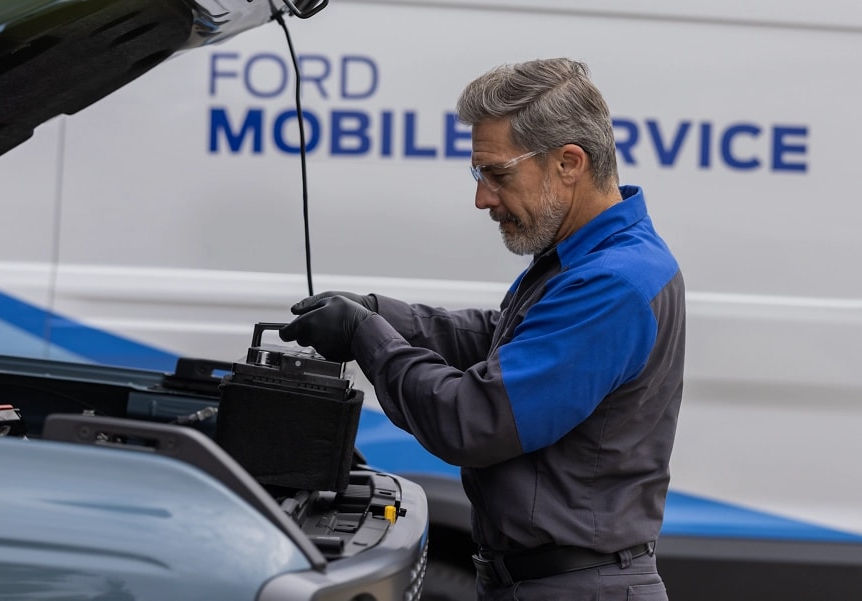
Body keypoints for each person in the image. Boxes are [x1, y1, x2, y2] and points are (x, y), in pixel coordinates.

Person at [279, 57, 685, 601]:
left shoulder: (612, 284)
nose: (483, 198)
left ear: (569, 162)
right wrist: (379, 311)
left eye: (498, 174)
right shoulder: (590, 260)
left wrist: (366, 337)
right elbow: (502, 337)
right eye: (479, 175)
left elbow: (475, 420)